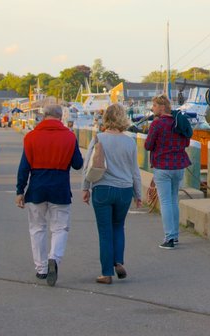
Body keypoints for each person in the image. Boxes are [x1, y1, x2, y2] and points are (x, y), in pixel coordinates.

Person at [16, 103, 83, 286]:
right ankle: (55, 257)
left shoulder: (31, 137)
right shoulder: (69, 137)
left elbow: (24, 167)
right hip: (60, 186)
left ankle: (41, 268)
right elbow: (78, 164)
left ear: (43, 116)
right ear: (60, 117)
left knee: (37, 228)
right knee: (60, 227)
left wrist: (19, 191)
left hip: (37, 186)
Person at [81, 103, 142, 284]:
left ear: (106, 118)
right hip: (124, 190)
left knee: (105, 231)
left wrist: (85, 188)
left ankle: (106, 273)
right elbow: (135, 171)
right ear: (123, 118)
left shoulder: (99, 138)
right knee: (118, 227)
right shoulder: (130, 142)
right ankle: (118, 261)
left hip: (103, 189)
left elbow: (89, 166)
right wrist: (138, 194)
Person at [143, 94, 190, 249]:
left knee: (165, 202)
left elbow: (148, 145)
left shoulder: (157, 124)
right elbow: (186, 141)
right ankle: (175, 235)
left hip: (163, 167)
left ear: (162, 107)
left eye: (155, 105)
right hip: (178, 166)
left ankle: (169, 238)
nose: (152, 108)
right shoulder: (178, 122)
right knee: (174, 200)